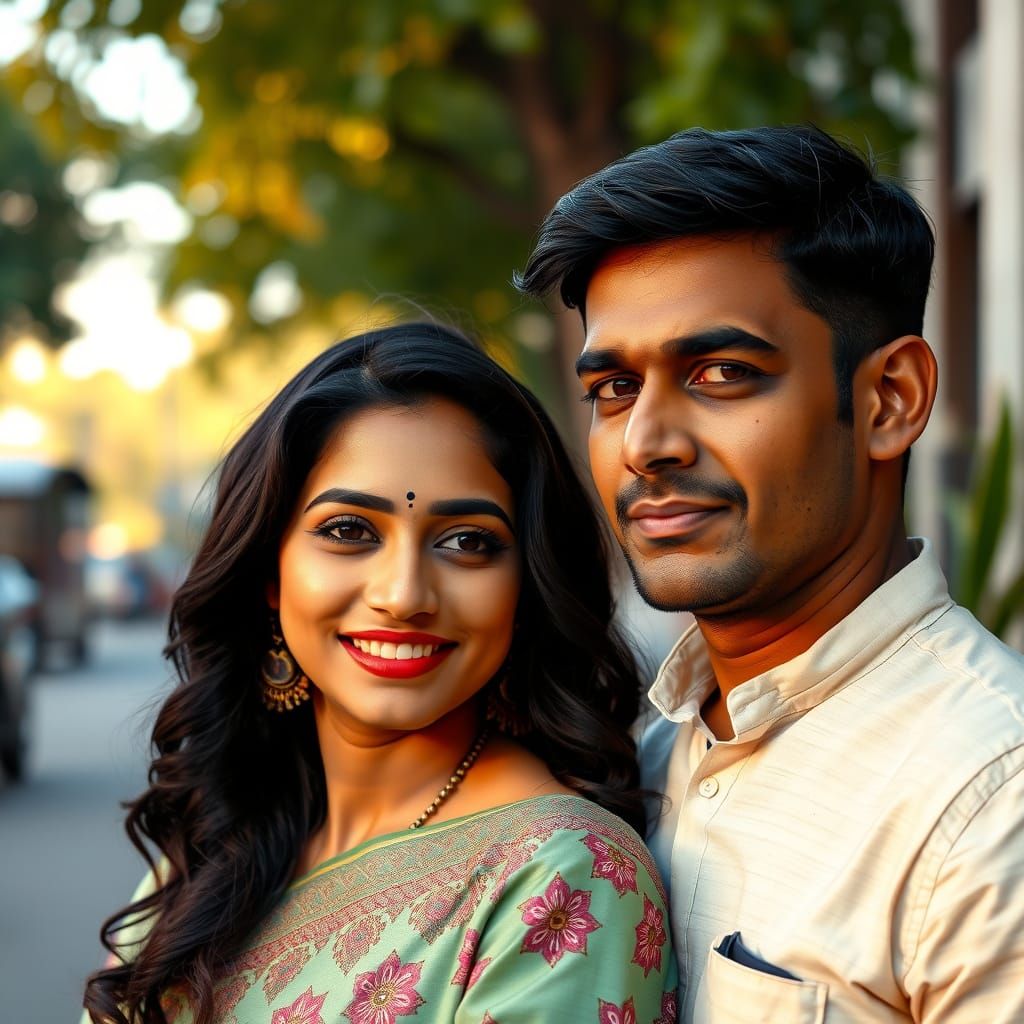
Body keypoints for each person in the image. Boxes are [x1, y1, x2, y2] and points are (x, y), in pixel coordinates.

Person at [516, 124, 1024, 1022]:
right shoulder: (642, 751)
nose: (647, 445)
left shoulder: (988, 802)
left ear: (888, 401)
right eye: (614, 389)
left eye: (720, 373)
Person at [82, 323, 678, 1024]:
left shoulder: (564, 877)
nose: (403, 594)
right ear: (270, 571)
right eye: (348, 531)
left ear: (528, 586)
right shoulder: (217, 847)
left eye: (467, 542)